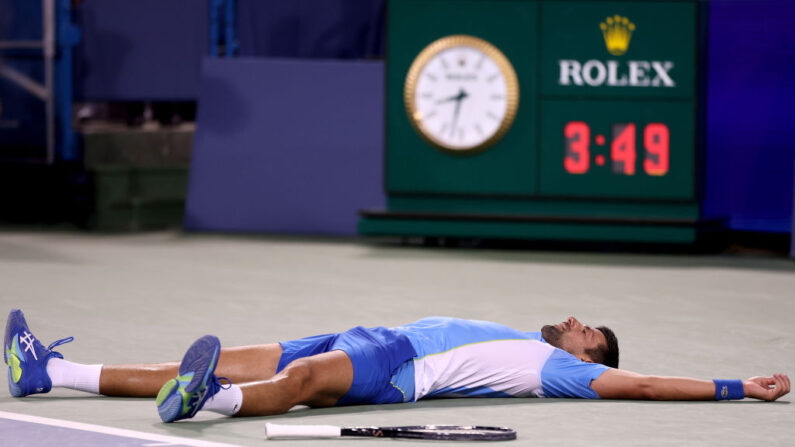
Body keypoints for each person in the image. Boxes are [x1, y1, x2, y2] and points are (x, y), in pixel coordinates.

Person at [4, 309, 790, 423]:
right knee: (173, 360)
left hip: (397, 364)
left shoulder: (563, 369)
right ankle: (52, 375)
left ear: (592, 356)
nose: (578, 322)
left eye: (593, 330)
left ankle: (215, 401)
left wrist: (737, 386)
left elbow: (647, 383)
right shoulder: (527, 333)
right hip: (367, 332)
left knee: (303, 386)